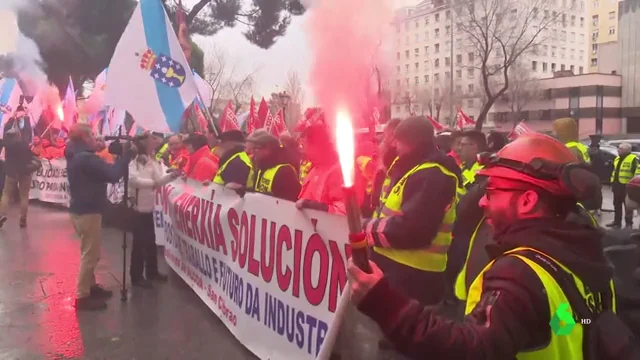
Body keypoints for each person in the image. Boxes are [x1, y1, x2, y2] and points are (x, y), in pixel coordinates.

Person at [348, 133, 619, 359]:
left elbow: (472, 349)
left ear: (527, 201)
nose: (482, 203)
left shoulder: (520, 272)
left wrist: (385, 303)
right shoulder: (587, 257)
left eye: (492, 193)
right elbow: (566, 326)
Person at [362, 116, 461, 306]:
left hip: (415, 282)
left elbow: (414, 231)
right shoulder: (415, 170)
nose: (395, 147)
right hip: (402, 276)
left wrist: (366, 229)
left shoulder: (432, 175)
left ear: (410, 142)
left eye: (397, 142)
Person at [65, 123, 133, 311]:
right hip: (89, 211)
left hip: (79, 209)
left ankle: (91, 286)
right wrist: (126, 156)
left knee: (88, 251)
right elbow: (112, 174)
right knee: (91, 255)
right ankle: (82, 295)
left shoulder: (74, 153)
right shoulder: (86, 159)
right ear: (85, 138)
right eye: (92, 135)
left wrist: (97, 150)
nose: (96, 138)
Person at [128, 134, 181, 288]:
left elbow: (159, 180)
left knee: (150, 241)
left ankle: (152, 272)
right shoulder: (136, 160)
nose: (156, 141)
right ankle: (136, 277)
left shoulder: (153, 159)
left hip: (148, 205)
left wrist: (171, 176)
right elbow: (133, 180)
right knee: (139, 244)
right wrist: (152, 183)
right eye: (152, 139)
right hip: (138, 206)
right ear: (145, 142)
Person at [296, 123, 349, 214]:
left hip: (322, 227)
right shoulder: (314, 169)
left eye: (304, 145)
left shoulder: (336, 172)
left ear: (316, 145)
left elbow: (343, 212)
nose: (302, 150)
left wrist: (317, 207)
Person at [246, 129, 300, 201]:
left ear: (267, 149)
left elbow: (291, 201)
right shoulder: (261, 168)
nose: (252, 153)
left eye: (255, 149)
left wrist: (272, 198)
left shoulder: (285, 171)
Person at [0, 127, 38, 228]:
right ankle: (23, 219)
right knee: (24, 195)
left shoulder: (7, 145)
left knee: (6, 194)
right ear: (18, 135)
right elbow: (31, 157)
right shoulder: (24, 144)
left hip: (11, 172)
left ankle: (2, 214)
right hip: (25, 171)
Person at [608, 142, 638, 228]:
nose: (618, 150)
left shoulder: (633, 159)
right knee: (617, 204)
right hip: (617, 185)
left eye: (620, 149)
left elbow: (636, 173)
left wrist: (633, 185)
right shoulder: (617, 158)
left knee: (628, 206)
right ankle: (617, 222)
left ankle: (628, 223)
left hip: (627, 186)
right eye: (618, 148)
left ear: (626, 150)